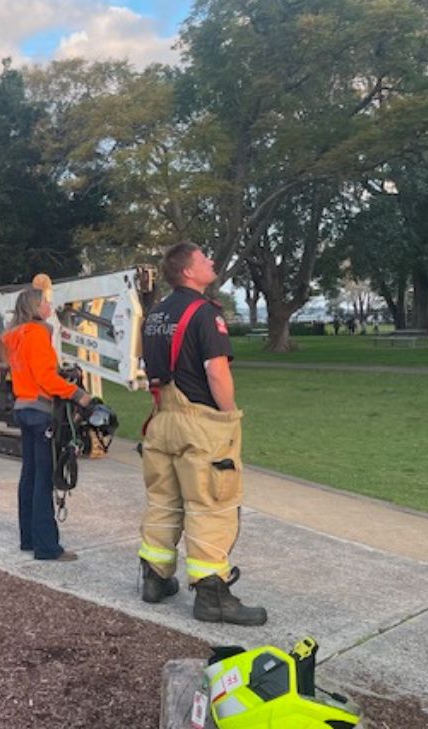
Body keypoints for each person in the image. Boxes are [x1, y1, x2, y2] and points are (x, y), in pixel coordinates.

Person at [138, 242, 266, 626]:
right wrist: (229, 417)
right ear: (188, 271)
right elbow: (216, 371)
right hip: (200, 421)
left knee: (163, 500)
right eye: (205, 258)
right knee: (212, 504)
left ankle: (154, 580)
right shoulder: (205, 313)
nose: (211, 262)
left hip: (161, 419)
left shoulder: (156, 315)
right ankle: (212, 597)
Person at [1, 287, 92, 562]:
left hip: (23, 408)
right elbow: (45, 377)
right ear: (35, 307)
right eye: (45, 301)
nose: (49, 304)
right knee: (43, 479)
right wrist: (79, 395)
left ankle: (28, 537)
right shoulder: (37, 334)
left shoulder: (15, 337)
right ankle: (47, 546)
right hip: (41, 412)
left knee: (29, 476)